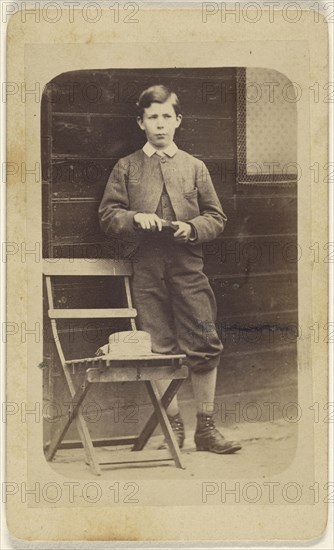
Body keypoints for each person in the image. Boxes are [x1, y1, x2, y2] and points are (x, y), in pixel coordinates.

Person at [99, 85, 241, 454]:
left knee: (204, 341)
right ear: (141, 122)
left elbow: (217, 217)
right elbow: (108, 215)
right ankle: (172, 425)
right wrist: (135, 218)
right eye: (152, 117)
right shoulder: (126, 167)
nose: (159, 125)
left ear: (178, 121)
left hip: (187, 264)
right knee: (157, 345)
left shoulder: (194, 167)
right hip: (145, 266)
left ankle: (206, 429)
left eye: (166, 117)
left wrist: (192, 227)